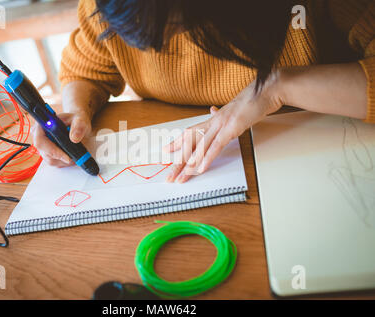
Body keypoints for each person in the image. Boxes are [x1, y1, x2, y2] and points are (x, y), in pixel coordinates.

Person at [33, 0, 375, 183]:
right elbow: (85, 70)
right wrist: (77, 110)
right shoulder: (108, 6)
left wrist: (276, 87)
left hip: (313, 168)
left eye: (176, 29)